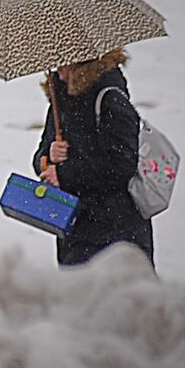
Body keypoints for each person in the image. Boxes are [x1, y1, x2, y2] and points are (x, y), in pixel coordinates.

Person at [32, 48, 154, 267]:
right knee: (77, 296)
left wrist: (63, 175)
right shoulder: (59, 103)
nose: (58, 68)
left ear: (82, 60)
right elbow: (40, 160)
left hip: (117, 230)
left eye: (64, 61)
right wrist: (48, 155)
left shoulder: (110, 98)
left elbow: (121, 165)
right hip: (74, 227)